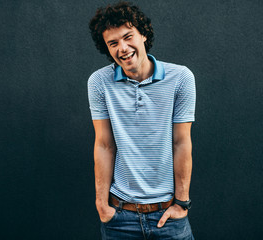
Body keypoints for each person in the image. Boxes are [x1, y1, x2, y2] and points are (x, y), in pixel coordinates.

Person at [88, 2, 196, 239]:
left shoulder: (181, 78)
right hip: (119, 216)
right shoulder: (99, 83)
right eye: (113, 43)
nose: (123, 48)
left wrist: (182, 203)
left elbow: (181, 143)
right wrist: (101, 205)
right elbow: (105, 145)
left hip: (168, 215)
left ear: (143, 34)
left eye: (128, 37)